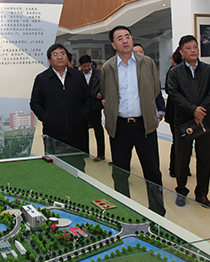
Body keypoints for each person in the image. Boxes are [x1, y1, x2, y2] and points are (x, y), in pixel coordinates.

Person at [100, 26, 165, 216]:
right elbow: (105, 92)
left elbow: (155, 90)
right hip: (119, 127)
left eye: (127, 36)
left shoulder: (147, 63)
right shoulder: (108, 67)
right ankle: (124, 212)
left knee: (152, 172)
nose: (125, 40)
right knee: (120, 172)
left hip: (145, 126)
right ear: (114, 44)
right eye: (120, 38)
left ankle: (157, 214)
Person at [166, 35, 210, 208]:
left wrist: (201, 110)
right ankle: (181, 191)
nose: (193, 50)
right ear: (182, 52)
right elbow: (174, 94)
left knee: (205, 158)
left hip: (204, 120)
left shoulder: (208, 70)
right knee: (182, 158)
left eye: (195, 47)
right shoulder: (174, 72)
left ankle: (202, 193)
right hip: (183, 120)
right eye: (188, 48)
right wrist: (193, 110)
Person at [30, 44, 90, 156]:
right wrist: (47, 118)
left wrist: (82, 116)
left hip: (77, 132)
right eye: (55, 54)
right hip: (52, 134)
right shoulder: (42, 79)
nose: (59, 57)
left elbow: (87, 98)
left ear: (67, 57)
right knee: (54, 164)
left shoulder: (78, 76)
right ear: (49, 60)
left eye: (62, 53)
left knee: (78, 163)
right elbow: (35, 103)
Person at [165, 48, 192, 178]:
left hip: (184, 111)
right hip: (175, 112)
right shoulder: (173, 72)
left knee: (183, 141)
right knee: (179, 141)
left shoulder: (178, 71)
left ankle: (182, 167)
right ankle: (176, 167)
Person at [79, 54, 105, 160]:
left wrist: (101, 93)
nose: (86, 68)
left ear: (91, 64)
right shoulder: (78, 75)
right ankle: (85, 152)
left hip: (95, 105)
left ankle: (101, 154)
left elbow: (105, 85)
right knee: (83, 129)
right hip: (83, 106)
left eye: (88, 66)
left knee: (98, 129)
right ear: (81, 66)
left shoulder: (99, 73)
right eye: (84, 66)